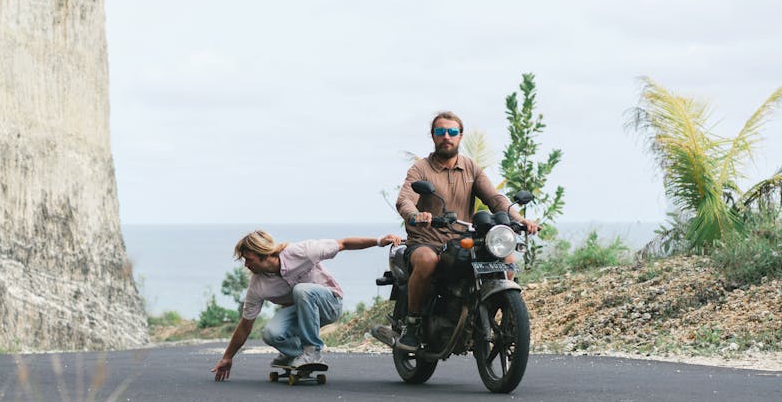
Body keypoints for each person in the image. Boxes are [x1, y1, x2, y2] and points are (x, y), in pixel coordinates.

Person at [394, 111, 539, 351]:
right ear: (433, 136)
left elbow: (494, 198)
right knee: (428, 260)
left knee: (507, 258)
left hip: (463, 241)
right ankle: (413, 323)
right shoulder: (420, 169)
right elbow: (405, 199)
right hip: (426, 240)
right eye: (441, 132)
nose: (446, 137)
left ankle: (489, 312)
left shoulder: (471, 168)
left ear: (460, 136)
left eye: (452, 132)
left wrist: (519, 218)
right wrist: (415, 215)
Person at [211, 230, 401, 381]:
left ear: (264, 254)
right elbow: (245, 325)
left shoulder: (301, 252)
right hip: (301, 313)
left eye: (248, 259)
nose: (246, 265)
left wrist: (378, 241)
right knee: (271, 333)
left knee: (302, 290)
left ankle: (312, 351)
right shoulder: (257, 286)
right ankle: (297, 354)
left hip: (330, 303)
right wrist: (227, 357)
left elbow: (343, 243)